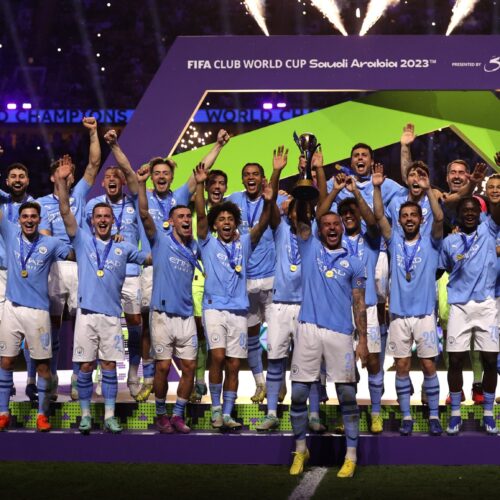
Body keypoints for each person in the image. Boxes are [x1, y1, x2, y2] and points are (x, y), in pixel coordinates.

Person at [55, 159, 149, 434]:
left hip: (110, 317)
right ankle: (86, 415)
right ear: (92, 220)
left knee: (108, 366)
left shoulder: (124, 247)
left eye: (107, 216)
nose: (103, 220)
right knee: (86, 366)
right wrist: (61, 181)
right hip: (86, 315)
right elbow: (65, 211)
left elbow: (150, 258)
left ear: (112, 220)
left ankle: (109, 415)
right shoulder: (82, 240)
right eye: (99, 217)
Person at [141, 129, 230, 403]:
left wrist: (218, 145)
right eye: (157, 173)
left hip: (179, 266)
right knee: (146, 326)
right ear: (151, 176)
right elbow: (141, 209)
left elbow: (200, 172)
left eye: (165, 173)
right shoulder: (142, 194)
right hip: (149, 267)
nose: (161, 177)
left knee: (189, 327)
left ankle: (192, 383)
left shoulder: (179, 197)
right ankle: (147, 378)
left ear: (171, 177)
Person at [289, 202, 368, 478]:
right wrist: (310, 190)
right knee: (298, 395)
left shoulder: (355, 262)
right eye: (326, 225)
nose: (332, 228)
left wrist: (363, 340)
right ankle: (301, 450)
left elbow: (359, 303)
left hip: (341, 333)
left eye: (336, 224)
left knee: (347, 395)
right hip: (308, 329)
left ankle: (351, 456)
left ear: (342, 228)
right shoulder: (309, 247)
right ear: (319, 230)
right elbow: (301, 219)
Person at [195, 164, 273, 430]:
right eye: (221, 219)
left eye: (230, 219)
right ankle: (215, 409)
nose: (226, 223)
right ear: (215, 224)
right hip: (214, 309)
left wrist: (269, 201)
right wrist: (200, 185)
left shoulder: (244, 243)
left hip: (239, 310)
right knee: (217, 357)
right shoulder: (207, 242)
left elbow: (263, 224)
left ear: (235, 223)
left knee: (234, 363)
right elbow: (200, 215)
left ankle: (227, 413)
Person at [373, 163, 444, 436]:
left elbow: (439, 218)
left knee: (428, 365)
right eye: (405, 216)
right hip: (399, 315)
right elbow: (379, 216)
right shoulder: (394, 240)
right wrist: (376, 188)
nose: (410, 219)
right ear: (400, 220)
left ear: (420, 219)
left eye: (414, 215)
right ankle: (406, 416)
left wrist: (428, 190)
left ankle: (434, 415)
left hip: (424, 313)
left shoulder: (432, 241)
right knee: (402, 366)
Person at [37, 117, 102, 401]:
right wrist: (66, 251)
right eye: (61, 172)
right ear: (53, 177)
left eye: (70, 172)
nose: (67, 175)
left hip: (80, 267)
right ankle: (49, 380)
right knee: (52, 327)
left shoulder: (79, 195)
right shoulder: (40, 204)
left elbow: (94, 164)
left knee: (81, 326)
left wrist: (93, 133)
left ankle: (79, 380)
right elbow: (45, 239)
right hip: (55, 268)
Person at [317, 168, 383, 434]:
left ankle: (376, 413)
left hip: (367, 307)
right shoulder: (333, 240)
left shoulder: (371, 239)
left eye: (352, 212)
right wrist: (334, 190)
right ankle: (349, 415)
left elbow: (373, 221)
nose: (348, 216)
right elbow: (321, 217)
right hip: (339, 311)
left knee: (373, 360)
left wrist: (355, 193)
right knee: (345, 367)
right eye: (344, 214)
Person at [137, 163, 199, 433]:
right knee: (162, 367)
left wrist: (201, 184)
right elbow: (144, 214)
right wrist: (141, 184)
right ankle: (161, 414)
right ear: (171, 221)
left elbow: (202, 218)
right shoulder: (160, 241)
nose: (186, 219)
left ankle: (178, 415)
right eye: (180, 216)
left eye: (188, 216)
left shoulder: (195, 246)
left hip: (186, 315)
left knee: (190, 367)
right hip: (161, 315)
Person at [0, 201, 70, 431]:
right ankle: (3, 412)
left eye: (33, 217)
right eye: (25, 216)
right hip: (12, 308)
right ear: (19, 220)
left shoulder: (51, 243)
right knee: (6, 361)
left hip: (38, 312)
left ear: (39, 220)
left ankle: (42, 414)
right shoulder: (10, 231)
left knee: (42, 366)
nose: (29, 220)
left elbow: (75, 252)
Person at [85, 129, 144, 400]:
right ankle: (102, 372)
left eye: (116, 177)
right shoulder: (94, 205)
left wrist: (115, 146)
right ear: (102, 184)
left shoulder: (133, 201)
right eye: (107, 177)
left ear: (122, 183)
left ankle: (133, 373)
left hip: (131, 273)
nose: (112, 179)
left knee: (134, 323)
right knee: (105, 323)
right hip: (104, 272)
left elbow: (131, 173)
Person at [440, 196, 500, 435]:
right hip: (459, 306)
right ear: (458, 214)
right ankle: (455, 413)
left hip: (487, 305)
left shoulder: (488, 231)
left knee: (490, 360)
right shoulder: (449, 242)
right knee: (455, 360)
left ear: (481, 214)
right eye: (465, 210)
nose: (469, 213)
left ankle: (488, 413)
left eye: (473, 210)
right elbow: (444, 268)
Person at [0, 162, 50, 401]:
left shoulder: (36, 207)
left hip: (27, 274)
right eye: (13, 176)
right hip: (1, 273)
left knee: (31, 334)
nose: (17, 180)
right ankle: (5, 382)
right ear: (7, 181)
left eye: (22, 176)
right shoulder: (2, 202)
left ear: (28, 181)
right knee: (3, 331)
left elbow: (45, 238)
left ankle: (31, 381)